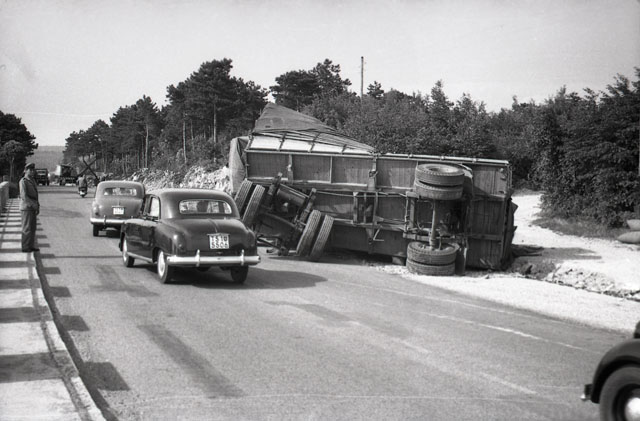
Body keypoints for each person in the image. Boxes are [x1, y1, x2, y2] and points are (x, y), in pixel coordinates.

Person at [19, 162, 40, 252]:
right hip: (26, 207)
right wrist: (33, 204)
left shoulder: (32, 180)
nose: (32, 171)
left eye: (33, 170)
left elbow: (35, 195)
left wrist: (37, 205)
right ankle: (25, 247)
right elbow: (24, 196)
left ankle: (31, 246)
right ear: (25, 171)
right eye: (30, 170)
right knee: (27, 228)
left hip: (32, 207)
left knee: (32, 228)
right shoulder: (23, 181)